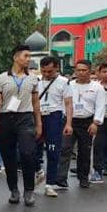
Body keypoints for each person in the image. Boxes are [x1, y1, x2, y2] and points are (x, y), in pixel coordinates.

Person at [0, 45, 43, 205]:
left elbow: (36, 102)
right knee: (9, 156)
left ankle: (29, 190)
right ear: (15, 57)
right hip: (6, 118)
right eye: (25, 56)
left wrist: (39, 123)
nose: (28, 59)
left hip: (25, 118)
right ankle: (13, 189)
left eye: (29, 56)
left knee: (28, 154)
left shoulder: (33, 78)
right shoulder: (1, 78)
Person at [62, 60, 105, 189]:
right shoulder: (68, 85)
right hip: (70, 121)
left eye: (84, 70)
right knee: (65, 148)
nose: (81, 72)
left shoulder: (97, 87)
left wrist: (95, 123)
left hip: (87, 121)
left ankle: (83, 177)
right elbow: (63, 103)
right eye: (78, 70)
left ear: (90, 71)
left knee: (84, 151)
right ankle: (61, 178)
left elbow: (100, 106)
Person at [37, 57, 70, 197]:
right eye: (44, 71)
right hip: (37, 115)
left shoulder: (64, 82)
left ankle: (49, 184)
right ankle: (38, 170)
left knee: (53, 150)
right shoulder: (35, 80)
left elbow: (68, 103)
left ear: (56, 68)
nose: (46, 74)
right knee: (30, 149)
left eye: (50, 71)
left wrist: (68, 123)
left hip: (54, 116)